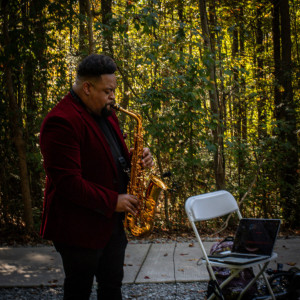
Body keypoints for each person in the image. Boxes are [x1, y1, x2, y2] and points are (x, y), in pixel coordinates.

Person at [39, 54, 154, 300]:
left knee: (112, 289)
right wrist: (114, 200)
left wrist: (136, 160)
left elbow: (111, 156)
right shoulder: (60, 122)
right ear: (87, 88)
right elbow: (68, 184)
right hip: (79, 227)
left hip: (112, 224)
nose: (113, 97)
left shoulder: (105, 112)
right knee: (78, 292)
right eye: (108, 91)